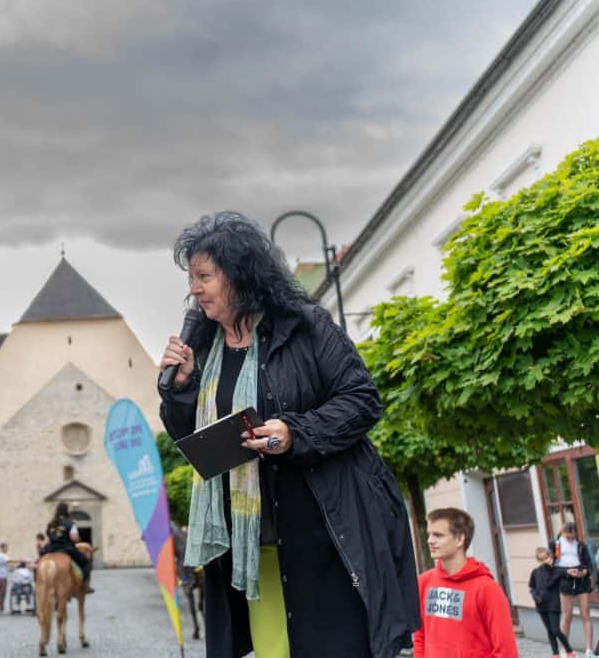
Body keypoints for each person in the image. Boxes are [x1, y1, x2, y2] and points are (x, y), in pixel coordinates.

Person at [158, 212, 419, 658]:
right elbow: (193, 441)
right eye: (191, 279)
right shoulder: (202, 347)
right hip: (251, 538)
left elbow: (361, 399)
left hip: (324, 529)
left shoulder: (304, 326)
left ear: (240, 274)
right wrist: (180, 390)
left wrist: (295, 432)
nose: (194, 289)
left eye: (205, 276)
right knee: (273, 651)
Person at [413, 508, 518, 657]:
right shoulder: (424, 582)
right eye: (429, 534)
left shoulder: (487, 589)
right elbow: (420, 637)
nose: (430, 540)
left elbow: (506, 651)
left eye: (438, 535)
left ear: (459, 539)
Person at [551, 521, 594, 657]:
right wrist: (567, 572)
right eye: (567, 537)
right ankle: (565, 650)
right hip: (566, 581)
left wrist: (585, 572)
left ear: (576, 534)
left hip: (582, 581)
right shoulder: (556, 545)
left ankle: (589, 651)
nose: (570, 539)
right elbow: (551, 568)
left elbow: (590, 566)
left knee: (585, 613)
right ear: (562, 533)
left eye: (572, 537)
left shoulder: (581, 545)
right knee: (567, 616)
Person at [530, 546, 574, 658]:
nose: (547, 560)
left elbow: (561, 574)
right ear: (539, 560)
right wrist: (536, 597)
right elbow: (532, 587)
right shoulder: (535, 572)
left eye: (548, 557)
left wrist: (570, 572)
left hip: (553, 604)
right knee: (550, 631)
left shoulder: (556, 570)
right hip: (541, 605)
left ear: (551, 556)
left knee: (555, 630)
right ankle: (555, 654)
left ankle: (570, 651)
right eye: (543, 559)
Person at [42, 502, 93, 592]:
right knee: (86, 563)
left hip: (51, 548)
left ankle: (38, 582)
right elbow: (74, 538)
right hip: (66, 549)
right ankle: (84, 585)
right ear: (66, 510)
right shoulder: (70, 523)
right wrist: (78, 539)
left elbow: (49, 538)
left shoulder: (51, 524)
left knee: (38, 562)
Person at [0, 542, 10, 612]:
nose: (7, 549)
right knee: (2, 592)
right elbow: (9, 561)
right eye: (6, 547)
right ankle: (1, 606)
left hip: (3, 575)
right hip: (0, 576)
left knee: (3, 592)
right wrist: (20, 560)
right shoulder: (1, 555)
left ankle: (1, 605)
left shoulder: (5, 555)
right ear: (2, 548)